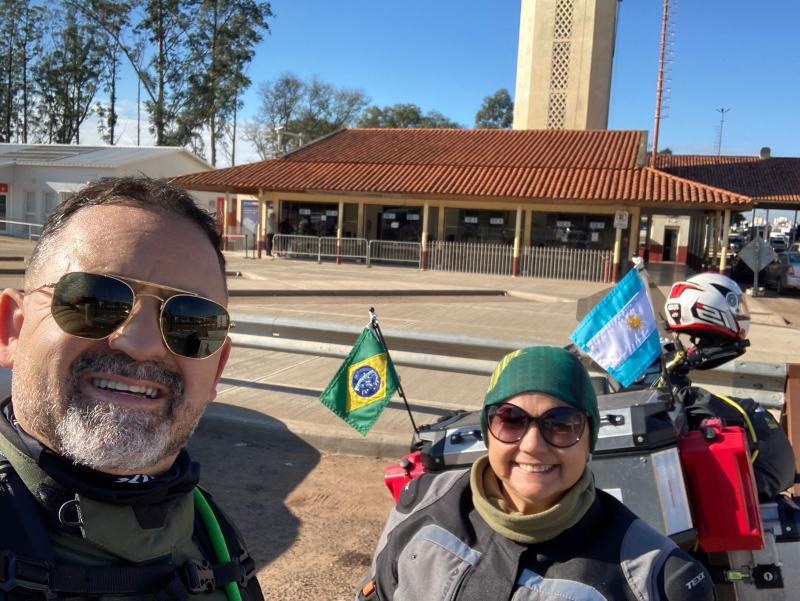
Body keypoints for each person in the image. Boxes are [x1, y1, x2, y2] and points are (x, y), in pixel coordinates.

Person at [0, 177, 264, 600]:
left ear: (216, 370)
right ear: (11, 331)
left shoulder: (213, 537)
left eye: (192, 321)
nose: (141, 346)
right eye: (93, 301)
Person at [358, 346, 715, 601]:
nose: (532, 445)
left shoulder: (658, 580)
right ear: (487, 430)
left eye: (560, 424)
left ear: (590, 438)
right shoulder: (422, 503)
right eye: (510, 420)